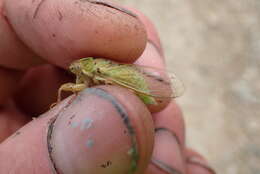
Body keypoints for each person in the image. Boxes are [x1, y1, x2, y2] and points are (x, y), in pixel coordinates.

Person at [0, 0, 215, 173]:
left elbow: (102, 86)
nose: (75, 73)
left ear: (84, 70)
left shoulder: (96, 72)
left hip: (121, 80)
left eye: (77, 71)